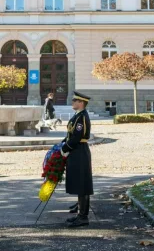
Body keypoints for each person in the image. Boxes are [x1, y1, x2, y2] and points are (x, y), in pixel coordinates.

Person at [62, 91, 93, 228]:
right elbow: (70, 134)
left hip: (80, 151)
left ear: (81, 103)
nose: (73, 102)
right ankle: (80, 214)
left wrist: (66, 148)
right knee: (80, 184)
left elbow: (77, 137)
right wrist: (62, 144)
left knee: (83, 185)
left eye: (75, 100)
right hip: (76, 151)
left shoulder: (82, 117)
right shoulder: (78, 116)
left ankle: (83, 217)